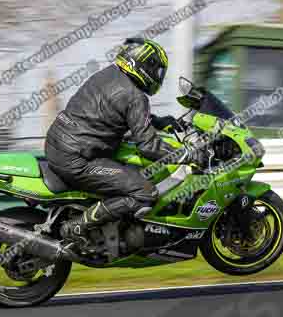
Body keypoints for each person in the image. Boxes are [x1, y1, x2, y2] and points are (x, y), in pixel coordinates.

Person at [45, 38, 202, 242]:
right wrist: (187, 154)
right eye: (157, 71)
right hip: (79, 161)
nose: (158, 77)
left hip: (58, 145)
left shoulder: (108, 74)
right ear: (143, 66)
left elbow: (114, 110)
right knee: (145, 193)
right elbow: (148, 146)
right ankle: (77, 226)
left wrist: (159, 122)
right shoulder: (136, 97)